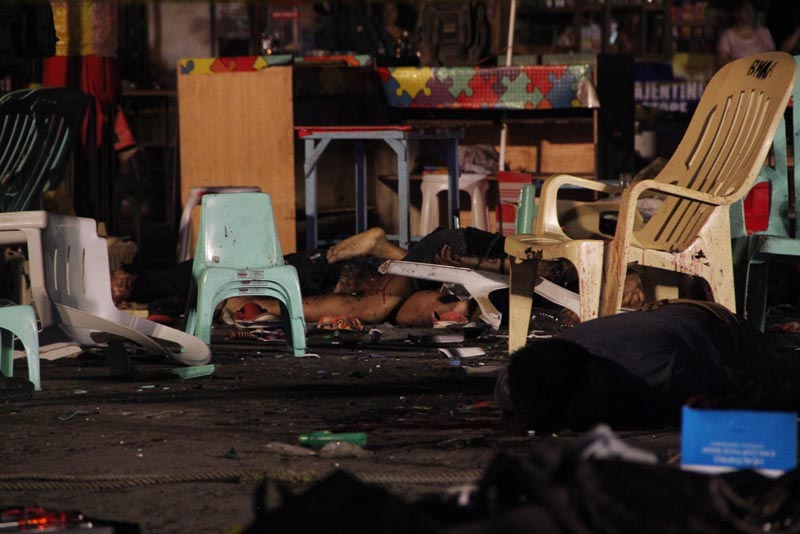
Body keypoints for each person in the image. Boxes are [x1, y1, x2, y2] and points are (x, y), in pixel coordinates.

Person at [496, 299, 800, 431]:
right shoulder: (515, 383)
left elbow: (744, 383)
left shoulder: (660, 372)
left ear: (596, 379)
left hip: (718, 327)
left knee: (785, 388)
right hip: (654, 322)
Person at [717, 0, 775, 67]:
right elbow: (721, 61)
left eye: (752, 10)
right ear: (736, 13)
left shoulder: (764, 32)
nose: (750, 13)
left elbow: (774, 56)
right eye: (746, 10)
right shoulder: (727, 35)